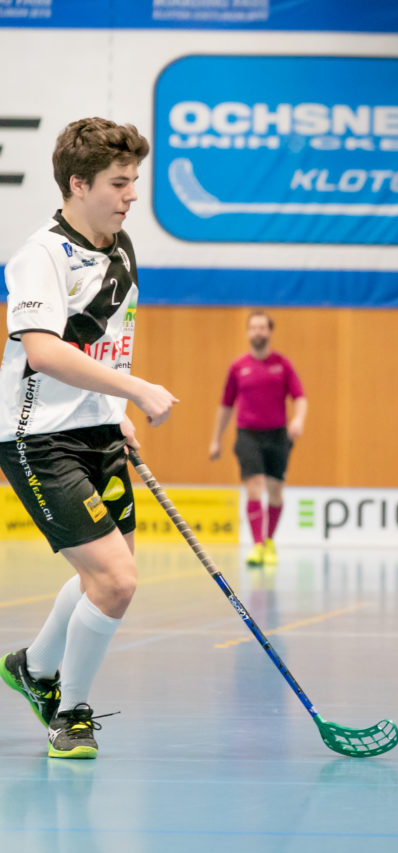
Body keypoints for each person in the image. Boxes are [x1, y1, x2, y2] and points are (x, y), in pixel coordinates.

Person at [0, 117, 178, 759]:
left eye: (134, 181)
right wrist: (138, 390)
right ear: (79, 184)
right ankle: (69, 712)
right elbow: (44, 352)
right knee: (116, 581)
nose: (132, 195)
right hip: (38, 438)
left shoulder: (121, 246)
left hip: (97, 429)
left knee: (105, 574)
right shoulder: (39, 256)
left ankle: (31, 668)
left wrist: (115, 409)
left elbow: (104, 343)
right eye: (119, 183)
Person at [209, 311, 306, 567]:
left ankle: (270, 541)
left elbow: (299, 396)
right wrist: (216, 439)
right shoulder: (238, 367)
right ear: (248, 332)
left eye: (262, 327)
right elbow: (226, 405)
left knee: (275, 491)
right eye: (253, 327)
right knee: (254, 486)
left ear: (270, 331)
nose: (258, 332)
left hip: (277, 436)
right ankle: (257, 546)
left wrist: (298, 419)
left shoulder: (282, 365)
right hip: (248, 435)